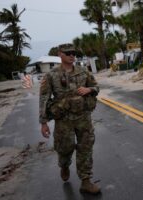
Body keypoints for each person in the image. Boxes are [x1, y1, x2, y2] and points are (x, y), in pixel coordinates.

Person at [39, 44, 100, 194]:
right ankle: (64, 165)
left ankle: (85, 181)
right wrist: (43, 123)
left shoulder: (83, 71)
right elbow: (44, 99)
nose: (72, 56)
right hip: (63, 119)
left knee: (85, 147)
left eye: (74, 53)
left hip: (83, 117)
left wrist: (89, 89)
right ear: (60, 54)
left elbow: (96, 87)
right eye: (68, 53)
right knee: (65, 148)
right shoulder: (51, 75)